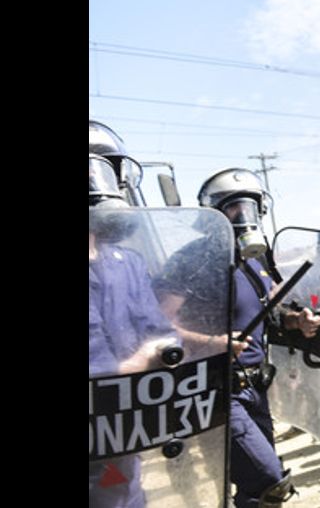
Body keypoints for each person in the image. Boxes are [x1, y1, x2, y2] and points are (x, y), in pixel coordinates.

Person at [157, 168, 320, 508]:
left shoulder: (257, 257)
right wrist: (213, 342)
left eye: (249, 205)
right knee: (269, 480)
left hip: (255, 388)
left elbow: (272, 311)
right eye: (233, 207)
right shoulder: (190, 259)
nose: (243, 215)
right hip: (213, 390)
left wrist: (297, 321)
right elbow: (156, 325)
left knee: (253, 493)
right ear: (213, 215)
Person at [89, 124, 183, 508]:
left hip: (125, 425)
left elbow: (160, 332)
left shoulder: (125, 263)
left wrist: (162, 351)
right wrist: (134, 362)